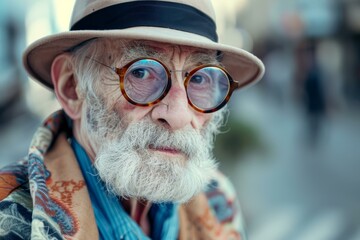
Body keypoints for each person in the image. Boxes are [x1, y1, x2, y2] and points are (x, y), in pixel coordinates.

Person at [0, 0, 264, 239]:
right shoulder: (8, 216)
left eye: (198, 79)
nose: (179, 115)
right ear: (72, 86)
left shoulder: (219, 198)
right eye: (141, 73)